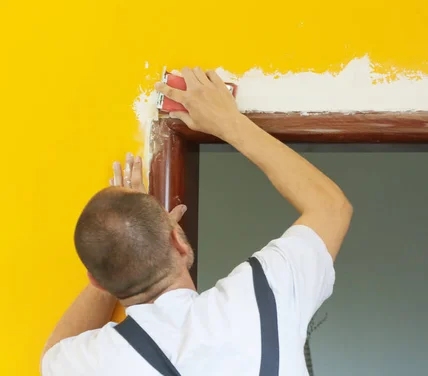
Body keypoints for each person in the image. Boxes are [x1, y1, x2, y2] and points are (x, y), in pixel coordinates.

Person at [41, 67, 353, 375]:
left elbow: (52, 354)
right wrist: (229, 123)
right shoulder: (263, 298)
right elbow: (330, 207)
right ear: (178, 240)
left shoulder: (91, 363)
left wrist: (118, 252)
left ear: (97, 281)